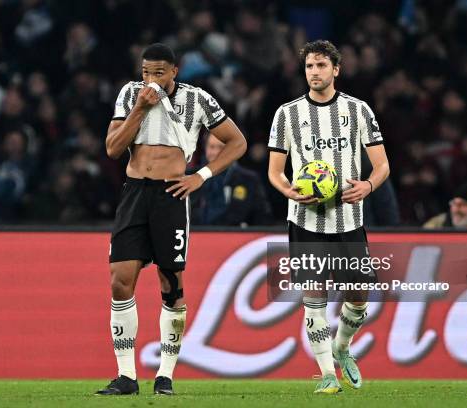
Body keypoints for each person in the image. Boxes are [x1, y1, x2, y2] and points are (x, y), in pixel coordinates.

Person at [96, 43, 246, 396]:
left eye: (159, 73)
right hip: (135, 192)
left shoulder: (198, 99)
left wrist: (202, 175)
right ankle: (126, 376)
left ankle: (165, 374)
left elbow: (237, 142)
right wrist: (139, 109)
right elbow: (113, 149)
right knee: (120, 280)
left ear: (175, 72)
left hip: (171, 195)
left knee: (171, 285)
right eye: (146, 72)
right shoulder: (131, 95)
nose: (151, 79)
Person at [267, 40, 390, 394]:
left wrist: (367, 185)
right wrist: (287, 189)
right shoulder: (286, 114)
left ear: (336, 69)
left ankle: (341, 346)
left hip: (349, 219)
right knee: (314, 295)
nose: (315, 72)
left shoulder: (359, 110)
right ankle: (327, 374)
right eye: (309, 67)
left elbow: (382, 165)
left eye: (322, 66)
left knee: (359, 293)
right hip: (305, 220)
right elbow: (275, 171)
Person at [191, 134, 272, 226]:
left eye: (221, 147)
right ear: (205, 148)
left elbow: (262, 218)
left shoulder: (249, 180)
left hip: (237, 238)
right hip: (196, 237)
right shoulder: (191, 178)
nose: (216, 152)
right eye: (211, 147)